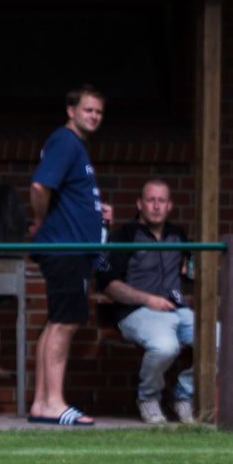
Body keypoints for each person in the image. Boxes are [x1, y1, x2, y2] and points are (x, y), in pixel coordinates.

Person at [27, 84, 113, 426]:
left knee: (56, 322)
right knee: (65, 323)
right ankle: (53, 403)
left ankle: (41, 403)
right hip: (66, 248)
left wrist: (96, 212)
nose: (94, 116)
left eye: (98, 112)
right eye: (88, 110)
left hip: (72, 245)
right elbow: (39, 186)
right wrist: (40, 220)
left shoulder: (75, 146)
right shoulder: (65, 141)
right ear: (71, 110)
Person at [96, 179, 193, 425]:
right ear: (140, 204)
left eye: (162, 201)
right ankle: (148, 397)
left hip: (177, 310)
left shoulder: (178, 234)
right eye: (151, 200)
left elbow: (190, 271)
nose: (156, 206)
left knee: (219, 339)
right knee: (165, 346)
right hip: (136, 311)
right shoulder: (125, 236)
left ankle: (184, 395)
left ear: (170, 205)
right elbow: (109, 285)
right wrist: (148, 299)